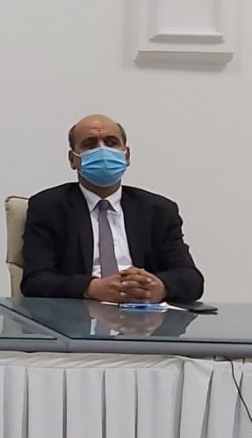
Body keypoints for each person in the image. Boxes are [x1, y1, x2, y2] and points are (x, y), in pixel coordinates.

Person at [20, 114, 203, 303]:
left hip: (144, 315)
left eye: (111, 142)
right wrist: (91, 288)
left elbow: (191, 279)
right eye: (90, 144)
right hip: (79, 314)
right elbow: (35, 281)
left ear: (127, 155)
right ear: (73, 159)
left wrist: (160, 287)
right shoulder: (49, 207)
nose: (103, 151)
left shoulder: (158, 211)